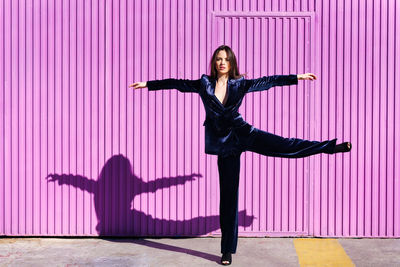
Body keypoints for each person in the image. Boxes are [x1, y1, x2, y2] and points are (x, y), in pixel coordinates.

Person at [128, 44, 351, 265]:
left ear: (232, 63)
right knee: (228, 196)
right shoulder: (204, 83)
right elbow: (177, 84)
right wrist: (148, 84)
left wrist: (297, 77)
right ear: (214, 63)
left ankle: (330, 147)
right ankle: (227, 250)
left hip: (243, 133)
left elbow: (267, 82)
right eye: (218, 59)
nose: (222, 62)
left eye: (226, 59)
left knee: (285, 146)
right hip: (224, 145)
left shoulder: (240, 84)